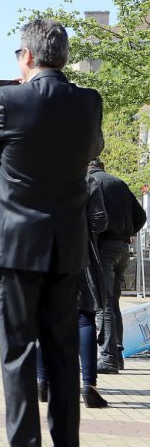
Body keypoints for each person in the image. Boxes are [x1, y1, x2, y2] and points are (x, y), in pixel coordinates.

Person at [0, 19, 104, 447]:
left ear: (28, 58)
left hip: (17, 247)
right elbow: (93, 147)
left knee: (18, 353)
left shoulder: (8, 101)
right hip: (67, 246)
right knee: (60, 353)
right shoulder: (88, 102)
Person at [37, 169, 109, 408]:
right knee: (84, 317)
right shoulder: (87, 179)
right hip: (79, 254)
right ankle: (89, 386)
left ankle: (42, 382)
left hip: (45, 256)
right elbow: (99, 221)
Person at [89, 158, 147, 374]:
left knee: (103, 304)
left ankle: (108, 358)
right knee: (113, 302)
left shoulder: (90, 183)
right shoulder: (119, 183)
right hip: (122, 248)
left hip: (103, 248)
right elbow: (141, 216)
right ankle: (117, 354)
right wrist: (129, 232)